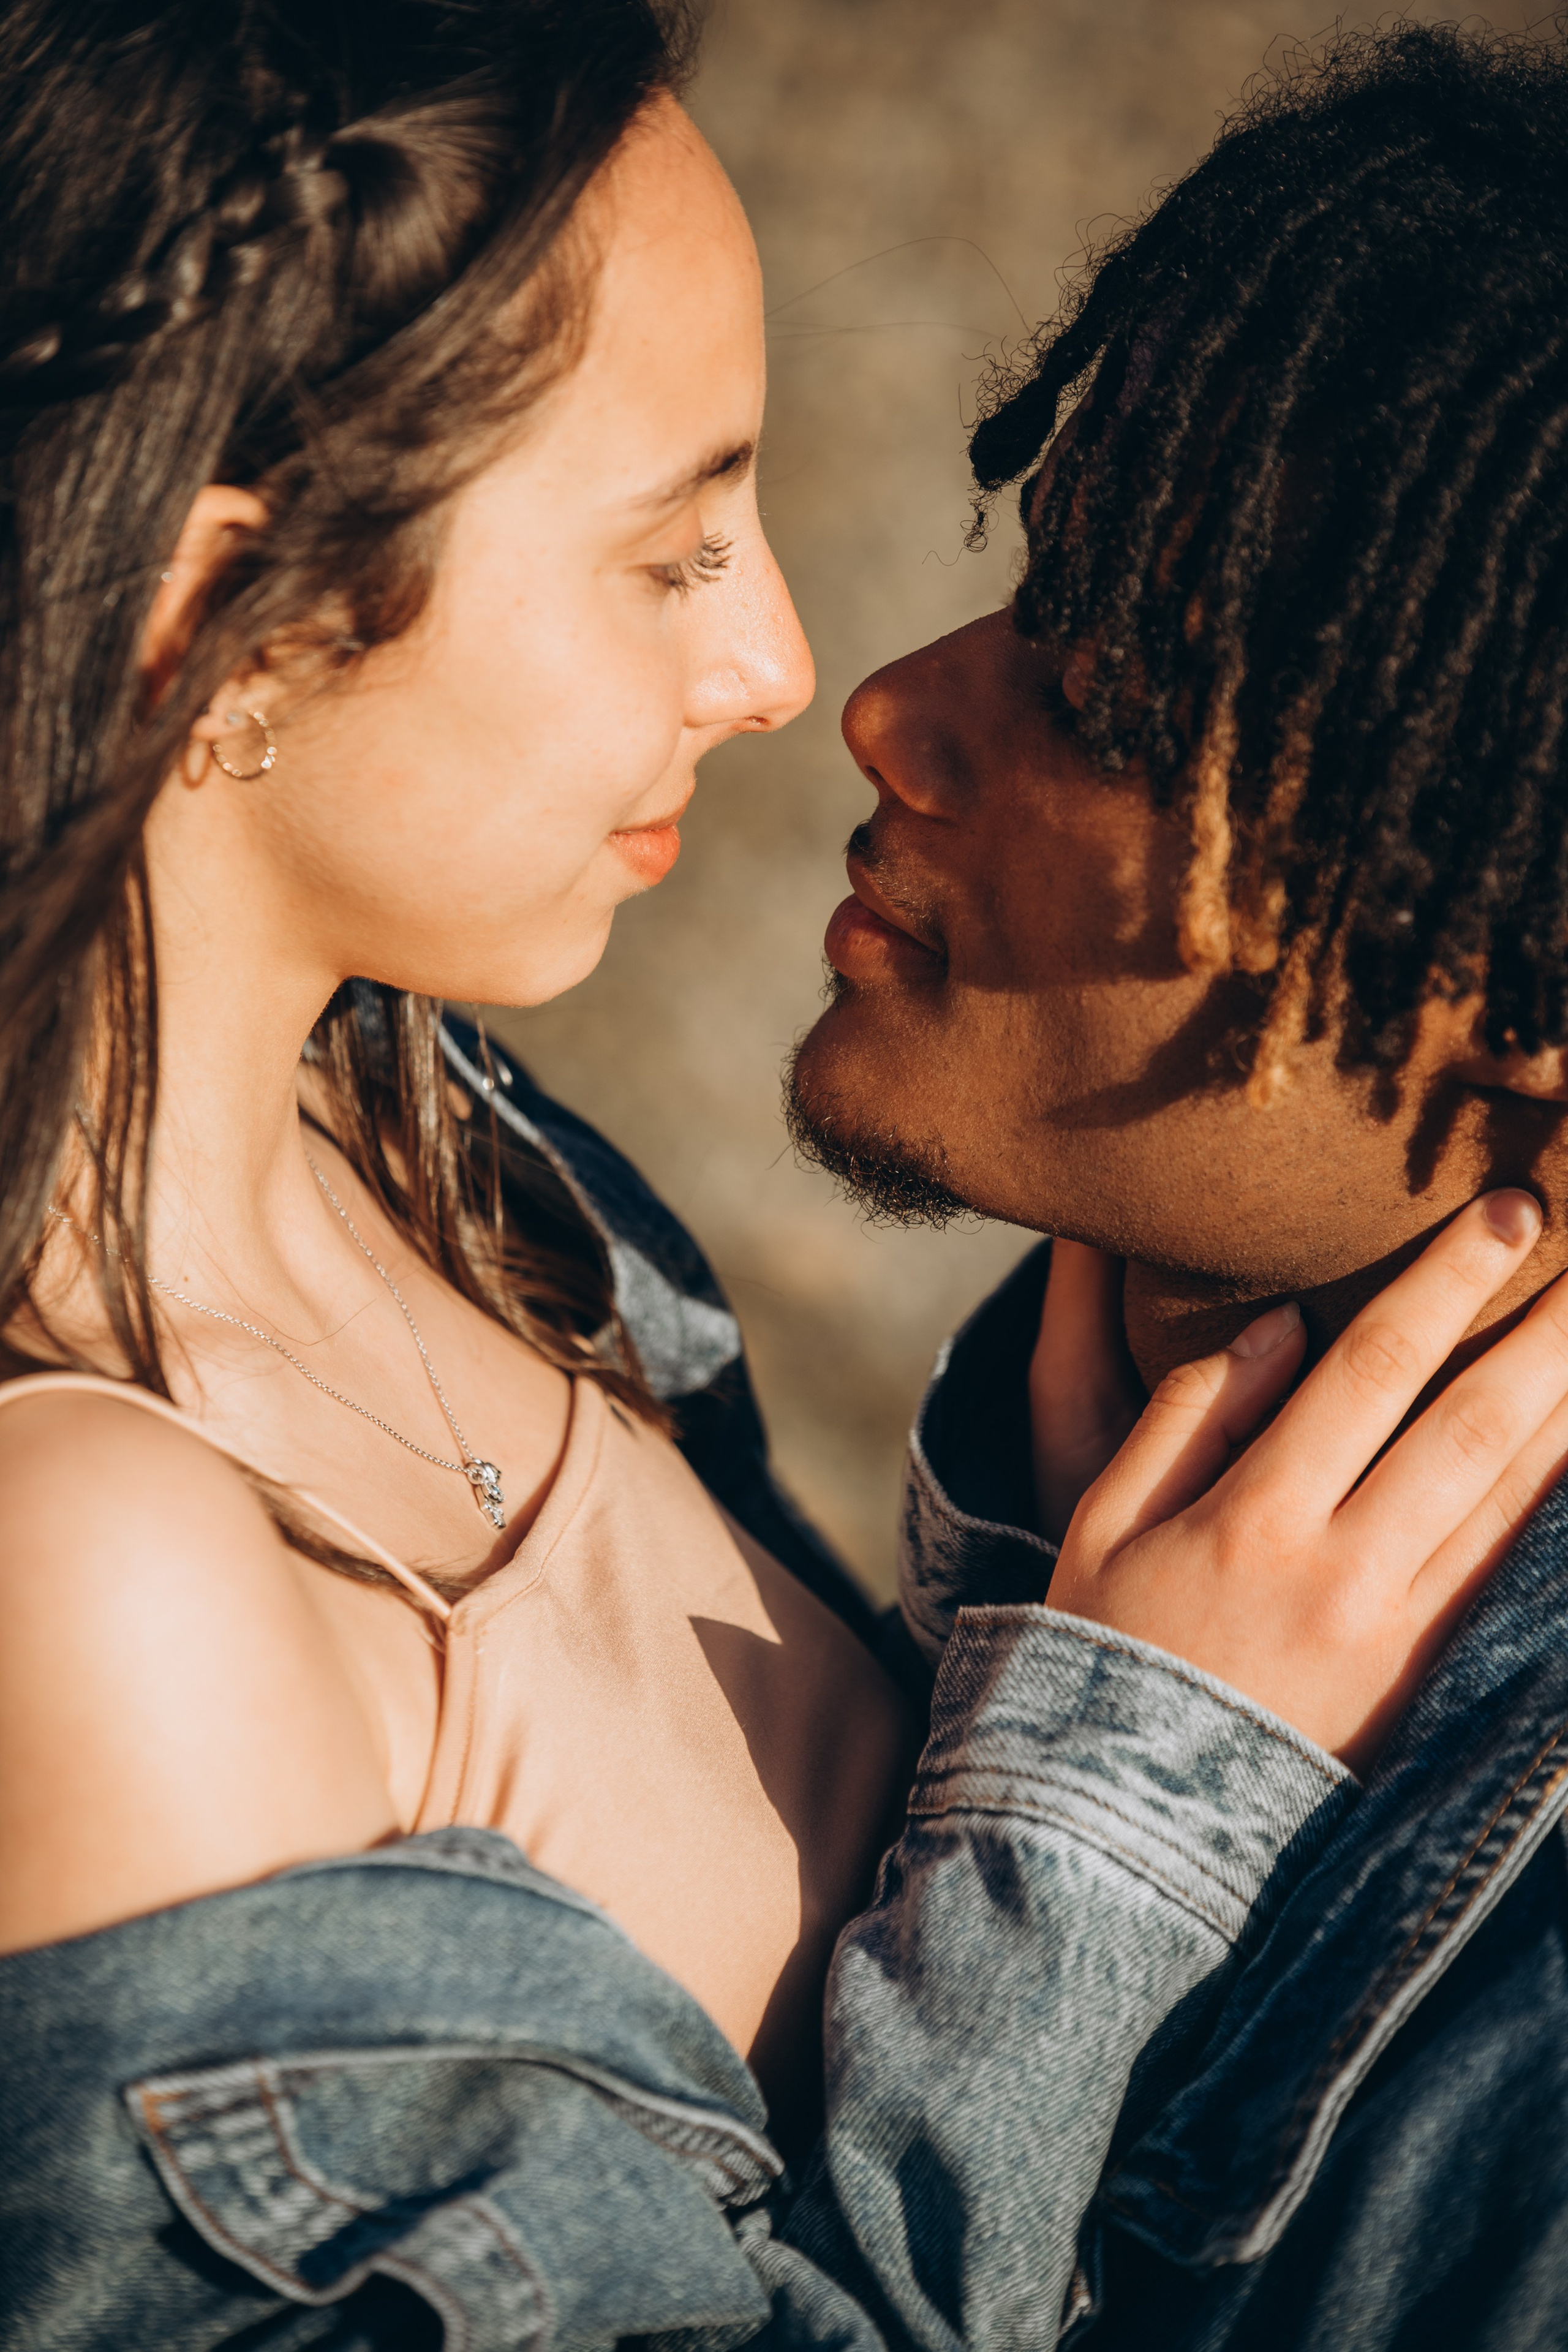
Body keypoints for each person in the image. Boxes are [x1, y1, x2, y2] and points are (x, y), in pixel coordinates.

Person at [0, 13, 1562, 2352]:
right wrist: (1105, 1811)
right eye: (667, 554)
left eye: (1117, 691)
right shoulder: (96, 1574)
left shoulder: (466, 1170)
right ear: (217, 622)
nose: (799, 670)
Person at [785, 16, 1568, 2346]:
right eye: (1035, 583)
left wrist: (1098, 1834)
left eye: (1117, 696)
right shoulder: (1067, 1420)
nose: (897, 709)